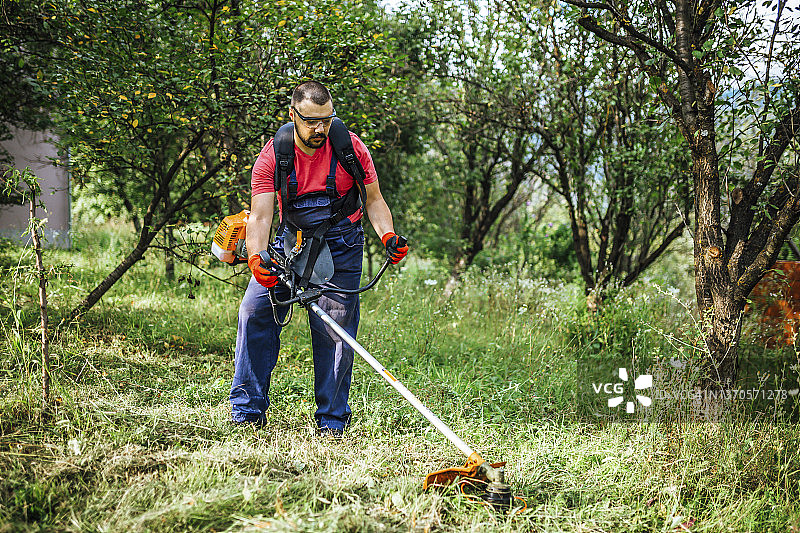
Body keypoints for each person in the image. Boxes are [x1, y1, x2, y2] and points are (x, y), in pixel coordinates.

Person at [230, 81, 408, 436]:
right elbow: (262, 217)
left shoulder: (350, 148)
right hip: (290, 240)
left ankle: (332, 421)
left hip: (342, 242)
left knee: (336, 331)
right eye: (311, 121)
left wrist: (387, 234)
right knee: (254, 311)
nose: (320, 129)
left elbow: (373, 200)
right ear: (292, 115)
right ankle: (247, 412)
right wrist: (256, 257)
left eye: (326, 120)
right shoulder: (273, 156)